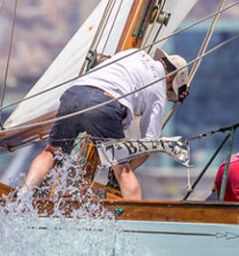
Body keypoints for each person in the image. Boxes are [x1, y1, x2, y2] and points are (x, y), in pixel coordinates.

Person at [22, 48, 190, 200]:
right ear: (170, 78)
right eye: (170, 89)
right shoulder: (158, 91)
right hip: (105, 104)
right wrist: (122, 167)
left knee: (51, 152)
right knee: (123, 171)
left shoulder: (135, 53)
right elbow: (149, 146)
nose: (167, 93)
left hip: (74, 94)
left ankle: (24, 193)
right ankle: (136, 218)